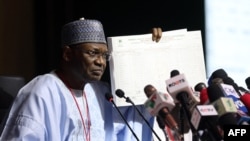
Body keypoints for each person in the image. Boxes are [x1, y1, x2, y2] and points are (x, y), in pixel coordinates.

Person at [0, 17, 162, 141]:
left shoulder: (100, 93)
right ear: (68, 54)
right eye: (92, 53)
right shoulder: (42, 92)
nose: (100, 62)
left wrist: (148, 50)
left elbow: (138, 115)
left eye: (104, 55)